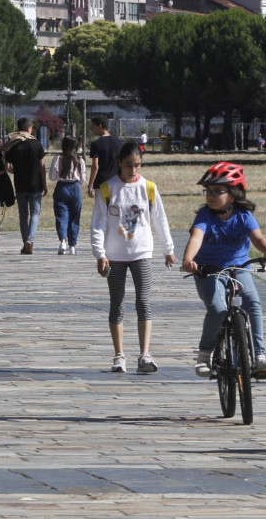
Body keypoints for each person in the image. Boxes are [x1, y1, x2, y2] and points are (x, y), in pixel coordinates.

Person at [181, 162, 266, 378]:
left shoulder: (243, 216)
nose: (211, 195)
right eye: (208, 191)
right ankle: (205, 355)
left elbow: (258, 238)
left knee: (252, 303)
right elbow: (196, 238)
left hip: (239, 268)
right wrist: (189, 259)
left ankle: (259, 357)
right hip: (209, 270)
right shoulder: (205, 216)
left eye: (218, 191)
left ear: (233, 195)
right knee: (218, 309)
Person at [91, 142, 175, 373]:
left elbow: (160, 220)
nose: (133, 170)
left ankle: (144, 355)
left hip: (142, 254)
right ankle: (119, 356)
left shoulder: (148, 188)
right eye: (129, 165)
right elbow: (98, 224)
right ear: (119, 163)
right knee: (116, 304)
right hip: (114, 256)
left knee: (143, 302)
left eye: (137, 165)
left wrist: (168, 248)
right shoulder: (107, 189)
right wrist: (100, 254)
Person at [4, 117, 47, 255]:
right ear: (29, 129)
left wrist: (16, 171)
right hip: (35, 184)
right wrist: (44, 184)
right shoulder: (36, 144)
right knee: (35, 212)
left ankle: (25, 244)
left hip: (20, 184)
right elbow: (42, 166)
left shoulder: (14, 145)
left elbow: (7, 166)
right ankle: (30, 239)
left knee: (23, 215)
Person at [49, 135, 87, 255]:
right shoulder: (79, 160)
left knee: (61, 215)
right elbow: (83, 179)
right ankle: (72, 245)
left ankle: (63, 241)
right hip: (75, 188)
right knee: (74, 217)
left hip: (62, 187)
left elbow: (52, 177)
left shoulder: (58, 158)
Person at [86, 116, 124, 200]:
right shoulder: (119, 142)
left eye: (93, 125)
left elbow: (95, 167)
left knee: (102, 210)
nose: (91, 128)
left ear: (100, 126)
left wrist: (90, 185)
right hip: (117, 181)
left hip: (102, 183)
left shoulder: (96, 144)